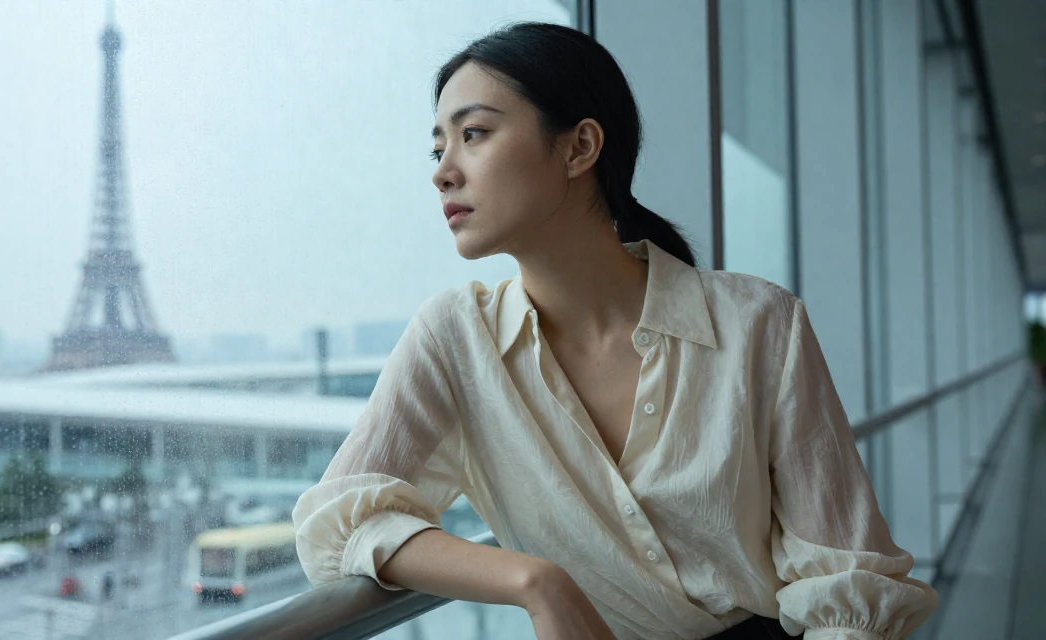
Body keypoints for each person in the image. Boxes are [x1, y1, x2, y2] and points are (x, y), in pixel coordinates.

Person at [291, 21, 938, 640]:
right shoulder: (455, 340)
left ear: (579, 147)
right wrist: (535, 581)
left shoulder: (758, 325)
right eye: (439, 147)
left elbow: (846, 579)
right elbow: (339, 523)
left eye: (475, 134)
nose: (443, 171)